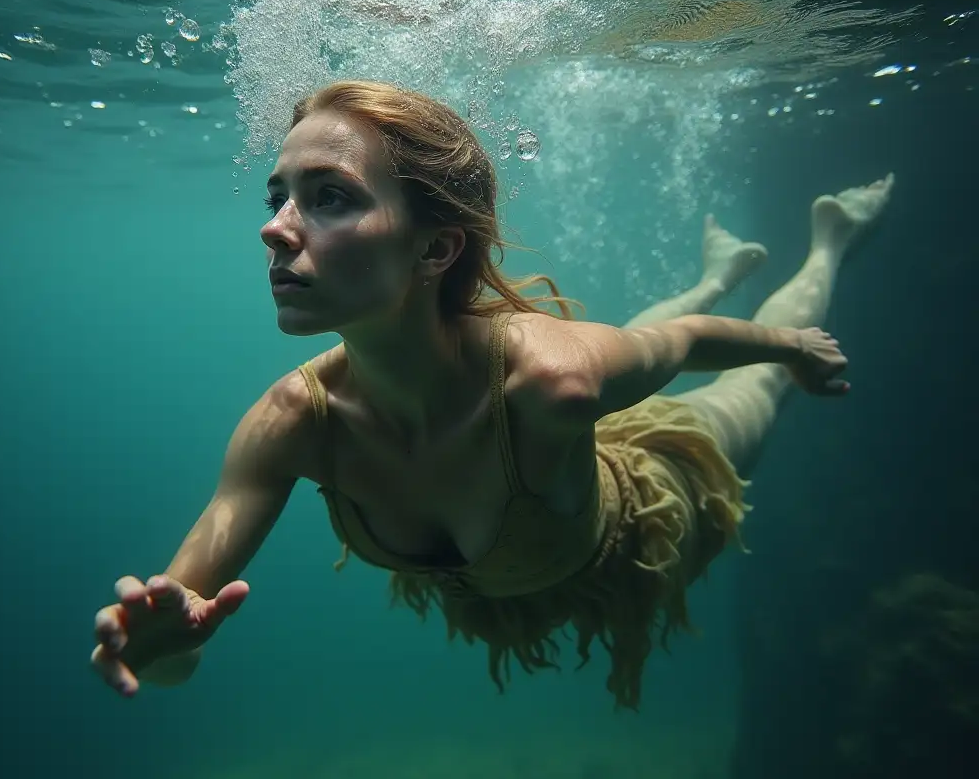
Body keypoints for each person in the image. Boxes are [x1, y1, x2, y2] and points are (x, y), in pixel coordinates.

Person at [90, 80, 894, 709]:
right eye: (278, 197)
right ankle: (718, 271)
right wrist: (158, 647)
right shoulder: (290, 425)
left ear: (436, 247)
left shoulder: (554, 377)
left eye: (328, 195)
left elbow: (680, 346)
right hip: (528, 529)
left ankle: (829, 239)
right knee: (621, 356)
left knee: (749, 390)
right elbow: (175, 657)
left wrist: (792, 350)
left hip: (643, 516)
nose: (275, 227)